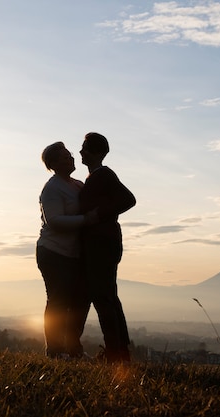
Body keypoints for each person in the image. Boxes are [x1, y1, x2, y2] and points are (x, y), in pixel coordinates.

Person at [78, 132, 136, 363]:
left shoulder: (103, 175)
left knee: (103, 298)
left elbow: (128, 199)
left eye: (85, 148)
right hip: (103, 242)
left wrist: (98, 214)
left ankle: (115, 353)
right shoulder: (97, 176)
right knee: (108, 296)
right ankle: (119, 351)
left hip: (102, 244)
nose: (81, 151)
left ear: (97, 152)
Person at [36, 141, 95, 359]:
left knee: (80, 301)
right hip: (53, 252)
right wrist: (86, 219)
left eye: (69, 155)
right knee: (58, 301)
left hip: (73, 253)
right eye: (64, 157)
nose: (70, 158)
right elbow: (54, 221)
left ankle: (73, 348)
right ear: (53, 164)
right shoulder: (52, 188)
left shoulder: (76, 184)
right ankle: (55, 350)